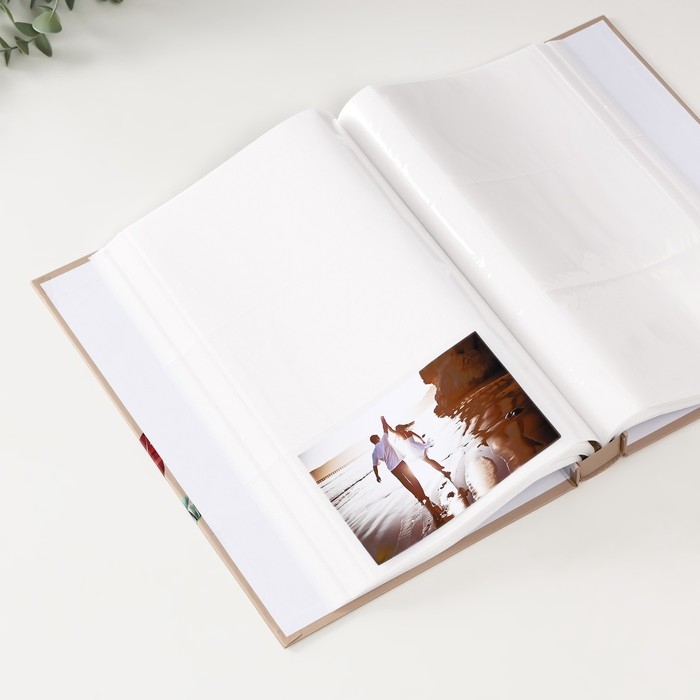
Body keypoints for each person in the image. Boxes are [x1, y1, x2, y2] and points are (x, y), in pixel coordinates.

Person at [370, 416, 443, 521]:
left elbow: (374, 466)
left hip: (393, 469)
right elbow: (385, 428)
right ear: (377, 438)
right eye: (378, 437)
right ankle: (423, 496)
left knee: (406, 483)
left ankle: (418, 496)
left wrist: (377, 476)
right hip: (400, 463)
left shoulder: (374, 453)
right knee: (413, 478)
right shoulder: (384, 440)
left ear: (373, 442)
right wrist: (383, 420)